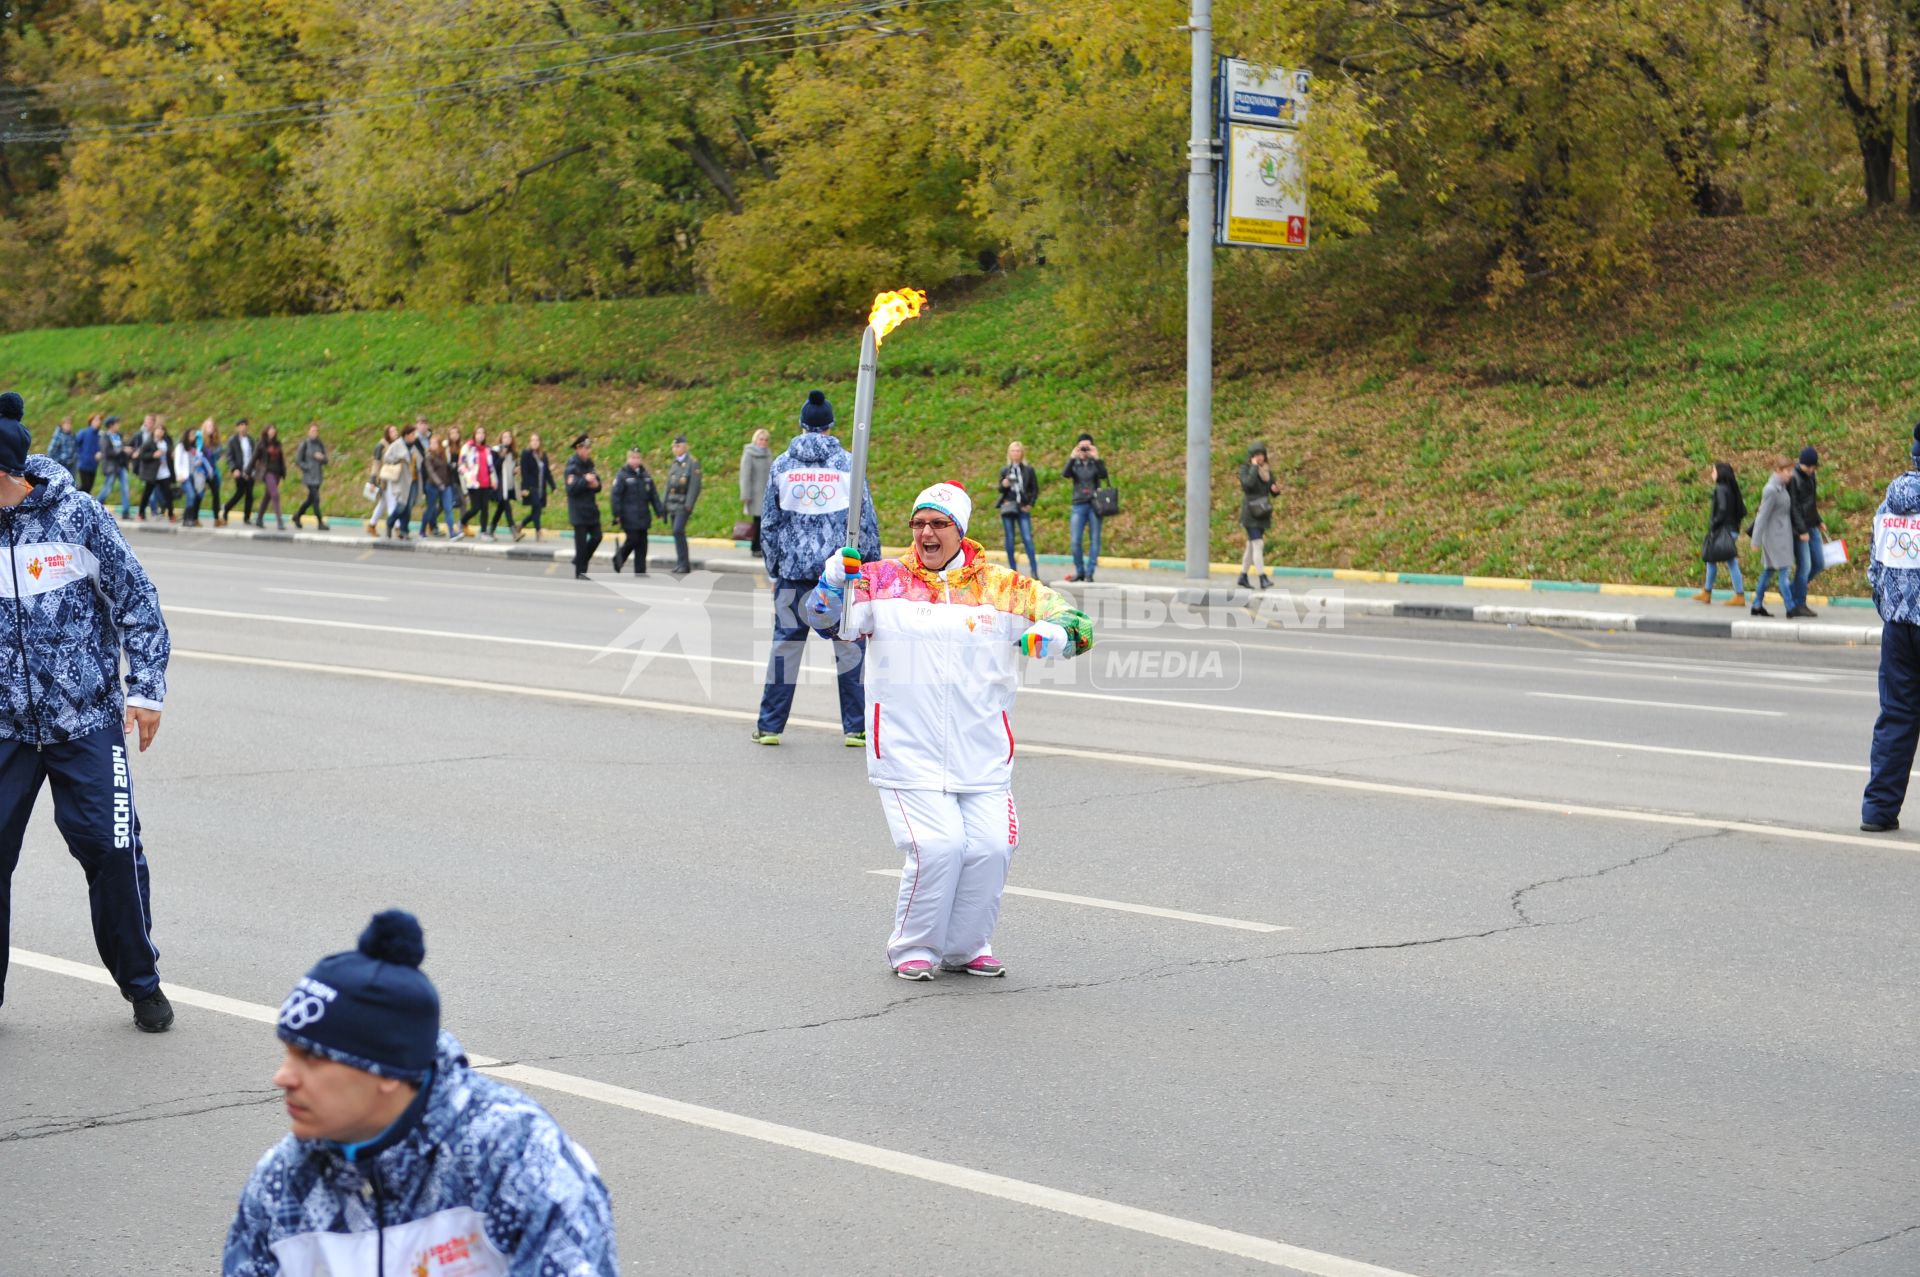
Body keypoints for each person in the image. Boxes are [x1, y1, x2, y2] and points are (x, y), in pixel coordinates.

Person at [222, 910, 619, 1275]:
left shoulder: (517, 1158)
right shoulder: (282, 1184)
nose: (283, 1077)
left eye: (312, 1058)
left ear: (388, 1071)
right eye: (288, 1053)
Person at [804, 481, 1094, 979]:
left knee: (990, 846)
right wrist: (833, 583)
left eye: (938, 524)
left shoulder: (1003, 588)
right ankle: (914, 948)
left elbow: (1079, 623)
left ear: (960, 530)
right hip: (905, 746)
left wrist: (1057, 634)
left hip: (981, 749)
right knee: (937, 847)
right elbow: (822, 619)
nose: (926, 533)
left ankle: (965, 946)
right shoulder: (881, 578)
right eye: (918, 523)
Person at [0, 393, 174, 1032]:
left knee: (111, 848)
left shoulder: (79, 519)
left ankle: (141, 983)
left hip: (86, 721)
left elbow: (137, 600)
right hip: (5, 727)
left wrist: (145, 691)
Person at [753, 392, 879, 747]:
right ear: (830, 427)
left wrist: (776, 567)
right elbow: (865, 521)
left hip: (793, 575)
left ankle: (769, 727)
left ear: (802, 425)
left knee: (785, 648)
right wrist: (867, 569)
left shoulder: (781, 466)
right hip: (837, 578)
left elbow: (769, 524)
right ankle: (855, 728)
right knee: (849, 647)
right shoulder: (847, 465)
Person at [1862, 423, 1920, 833]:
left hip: (1898, 629)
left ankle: (1879, 812)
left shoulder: (1889, 507)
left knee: (1896, 717)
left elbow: (1873, 567)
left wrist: (1891, 609)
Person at [1692, 461, 1747, 606]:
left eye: (1714, 471)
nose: (1712, 474)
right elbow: (1742, 511)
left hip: (1722, 531)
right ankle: (1707, 592)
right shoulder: (1733, 489)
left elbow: (1721, 510)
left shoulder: (1720, 489)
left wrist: (1713, 524)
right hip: (1732, 530)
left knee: (1730, 562)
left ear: (1720, 474)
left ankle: (1739, 595)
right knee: (1712, 560)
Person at [1748, 455, 1795, 617]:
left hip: (1781, 535)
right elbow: (1762, 516)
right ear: (1778, 471)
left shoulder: (1780, 487)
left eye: (1791, 471)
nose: (1791, 474)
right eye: (1788, 471)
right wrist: (1755, 541)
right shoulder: (1771, 490)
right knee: (1784, 571)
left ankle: (1756, 605)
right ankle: (1790, 607)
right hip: (1775, 538)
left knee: (1768, 571)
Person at [609, 447, 665, 575]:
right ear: (628, 459)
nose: (635, 460)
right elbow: (615, 496)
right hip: (628, 516)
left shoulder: (646, 476)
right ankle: (619, 559)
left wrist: (659, 511)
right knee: (633, 539)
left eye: (638, 458)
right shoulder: (622, 475)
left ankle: (640, 570)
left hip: (643, 515)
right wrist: (616, 513)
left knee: (642, 543)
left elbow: (653, 495)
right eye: (632, 458)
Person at [1062, 432, 1109, 583]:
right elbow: (1065, 474)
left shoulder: (1096, 463)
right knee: (1075, 540)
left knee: (1095, 539)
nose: (1085, 451)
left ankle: (1090, 573)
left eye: (1087, 447)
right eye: (1082, 447)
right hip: (1079, 504)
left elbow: (1103, 476)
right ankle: (1080, 571)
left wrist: (1097, 458)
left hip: (1095, 505)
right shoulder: (1074, 464)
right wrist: (1072, 457)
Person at [1237, 441, 1281, 591]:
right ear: (1251, 457)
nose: (1260, 458)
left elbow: (1272, 490)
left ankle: (1243, 576)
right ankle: (1262, 578)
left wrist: (1275, 490)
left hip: (1262, 512)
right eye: (1256, 455)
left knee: (1251, 546)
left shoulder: (1267, 471)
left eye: (1261, 455)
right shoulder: (1245, 469)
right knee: (1258, 544)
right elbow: (1247, 485)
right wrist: (1254, 467)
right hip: (1250, 513)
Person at [1788, 446, 1825, 619]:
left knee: (1819, 563)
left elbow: (1811, 502)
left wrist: (1818, 521)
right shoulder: (1793, 478)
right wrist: (1802, 530)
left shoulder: (1811, 477)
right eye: (1809, 467)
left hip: (1811, 525)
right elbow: (1793, 507)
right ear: (1803, 464)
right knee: (1805, 566)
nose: (1812, 470)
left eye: (1814, 467)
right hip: (1799, 529)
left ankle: (1790, 590)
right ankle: (1799, 603)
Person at [996, 440, 1040, 578]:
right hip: (1009, 507)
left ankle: (1034, 571)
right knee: (1010, 538)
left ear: (1022, 453)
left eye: (1018, 451)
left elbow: (1034, 489)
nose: (1016, 453)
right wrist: (1004, 484)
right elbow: (1000, 489)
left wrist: (1030, 504)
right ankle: (1013, 572)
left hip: (1023, 507)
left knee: (1027, 538)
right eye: (1013, 451)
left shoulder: (1028, 470)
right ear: (1009, 453)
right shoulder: (1005, 470)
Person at [565, 434, 603, 579]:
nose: (588, 451)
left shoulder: (589, 463)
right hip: (578, 510)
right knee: (580, 544)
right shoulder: (572, 466)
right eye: (586, 448)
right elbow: (571, 488)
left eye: (589, 448)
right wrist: (584, 480)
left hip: (591, 509)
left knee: (597, 537)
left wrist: (596, 484)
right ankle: (581, 572)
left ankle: (579, 560)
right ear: (578, 449)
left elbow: (597, 482)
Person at [664, 433, 702, 573]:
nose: (675, 448)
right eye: (674, 446)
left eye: (678, 446)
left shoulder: (692, 463)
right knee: (676, 533)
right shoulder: (675, 463)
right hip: (673, 503)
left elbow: (694, 485)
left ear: (684, 447)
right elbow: (668, 485)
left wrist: (689, 504)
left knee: (677, 530)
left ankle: (684, 564)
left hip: (683, 504)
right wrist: (664, 503)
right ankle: (681, 563)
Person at [382, 422, 420, 540]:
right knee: (401, 506)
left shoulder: (414, 446)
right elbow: (387, 458)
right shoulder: (397, 444)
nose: (414, 436)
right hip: (402, 481)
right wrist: (399, 459)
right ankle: (390, 522)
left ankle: (404, 531)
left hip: (413, 481)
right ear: (407, 435)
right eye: (413, 434)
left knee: (408, 507)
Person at [460, 425, 499, 538]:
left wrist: (494, 479)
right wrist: (468, 475)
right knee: (475, 508)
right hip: (473, 483)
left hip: (486, 482)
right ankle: (462, 522)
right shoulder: (468, 447)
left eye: (482, 433)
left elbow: (490, 466)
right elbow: (461, 465)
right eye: (478, 433)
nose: (481, 435)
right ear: (474, 434)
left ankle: (483, 531)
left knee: (485, 508)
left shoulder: (487, 449)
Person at [740, 426, 772, 555]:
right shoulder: (749, 454)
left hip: (766, 494)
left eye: (765, 440)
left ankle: (758, 546)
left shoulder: (768, 453)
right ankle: (756, 547)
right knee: (758, 522)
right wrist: (745, 495)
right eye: (761, 439)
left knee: (764, 522)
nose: (763, 442)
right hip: (754, 494)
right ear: (755, 440)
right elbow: (745, 476)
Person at [519, 432, 556, 540]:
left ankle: (520, 525)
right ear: (529, 442)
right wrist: (524, 488)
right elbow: (524, 471)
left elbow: (547, 472)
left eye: (537, 440)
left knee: (536, 511)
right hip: (531, 487)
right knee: (537, 509)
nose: (535, 442)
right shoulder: (526, 454)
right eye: (532, 440)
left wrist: (553, 487)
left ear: (540, 442)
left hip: (541, 488)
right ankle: (538, 533)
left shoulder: (543, 455)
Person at [487, 428, 522, 540]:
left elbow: (512, 469)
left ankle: (491, 529)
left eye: (509, 437)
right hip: (499, 485)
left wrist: (516, 470)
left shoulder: (513, 453)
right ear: (501, 439)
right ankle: (514, 531)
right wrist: (501, 456)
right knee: (506, 506)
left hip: (509, 484)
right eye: (505, 437)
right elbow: (494, 468)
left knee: (501, 507)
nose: (507, 439)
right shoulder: (495, 451)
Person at [291, 425, 328, 529]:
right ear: (308, 432)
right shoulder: (305, 444)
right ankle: (320, 522)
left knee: (310, 500)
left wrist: (322, 458)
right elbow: (298, 460)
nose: (314, 433)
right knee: (316, 499)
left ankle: (297, 516)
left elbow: (326, 460)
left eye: (316, 431)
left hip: (318, 476)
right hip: (309, 477)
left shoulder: (320, 444)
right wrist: (307, 467)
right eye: (312, 431)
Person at [420, 435, 457, 538]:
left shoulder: (444, 454)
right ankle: (422, 530)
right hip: (432, 486)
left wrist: (451, 467)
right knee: (430, 508)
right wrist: (439, 483)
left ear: (439, 444)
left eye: (435, 443)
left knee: (448, 508)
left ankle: (452, 532)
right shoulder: (428, 456)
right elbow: (431, 472)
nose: (432, 445)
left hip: (446, 485)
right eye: (431, 443)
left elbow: (446, 468)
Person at [365, 425, 399, 536]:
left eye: (396, 431)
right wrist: (373, 480)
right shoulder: (381, 446)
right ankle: (397, 528)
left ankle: (371, 525)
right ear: (387, 434)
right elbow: (376, 464)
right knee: (392, 503)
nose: (396, 433)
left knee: (383, 504)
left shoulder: (396, 445)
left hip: (393, 477)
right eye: (392, 431)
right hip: (384, 479)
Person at [251, 424, 287, 530]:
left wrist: (283, 473)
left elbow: (281, 460)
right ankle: (279, 521)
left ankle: (259, 518)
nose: (272, 431)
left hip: (277, 473)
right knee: (275, 494)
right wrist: (248, 472)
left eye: (273, 430)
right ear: (266, 431)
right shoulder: (261, 444)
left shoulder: (277, 444)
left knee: (268, 496)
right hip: (267, 473)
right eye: (270, 430)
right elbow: (254, 459)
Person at [224, 419, 257, 526]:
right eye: (241, 425)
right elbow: (229, 457)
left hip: (250, 471)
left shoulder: (250, 440)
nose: (244, 427)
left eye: (245, 425)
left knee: (250, 495)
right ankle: (227, 508)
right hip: (239, 471)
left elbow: (254, 455)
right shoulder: (232, 441)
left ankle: (247, 517)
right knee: (240, 493)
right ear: (237, 427)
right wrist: (234, 469)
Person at [98, 416, 131, 517]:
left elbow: (122, 448)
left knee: (125, 488)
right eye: (117, 423)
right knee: (107, 488)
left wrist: (127, 451)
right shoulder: (105, 437)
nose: (118, 426)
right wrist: (122, 450)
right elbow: (107, 452)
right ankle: (96, 506)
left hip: (121, 466)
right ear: (111, 425)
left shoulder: (119, 436)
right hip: (111, 467)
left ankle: (126, 512)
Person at [199, 418, 224, 525]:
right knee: (199, 494)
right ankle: (194, 517)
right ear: (204, 428)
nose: (211, 428)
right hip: (201, 471)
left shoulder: (215, 441)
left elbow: (217, 455)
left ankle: (216, 518)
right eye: (208, 426)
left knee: (216, 493)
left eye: (212, 426)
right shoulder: (199, 440)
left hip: (212, 472)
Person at [75, 414, 101, 493]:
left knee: (89, 487)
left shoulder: (99, 435)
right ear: (91, 421)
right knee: (85, 486)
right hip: (84, 464)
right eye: (96, 420)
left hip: (94, 465)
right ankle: (73, 498)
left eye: (99, 420)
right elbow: (75, 444)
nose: (98, 422)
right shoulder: (84, 432)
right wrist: (81, 456)